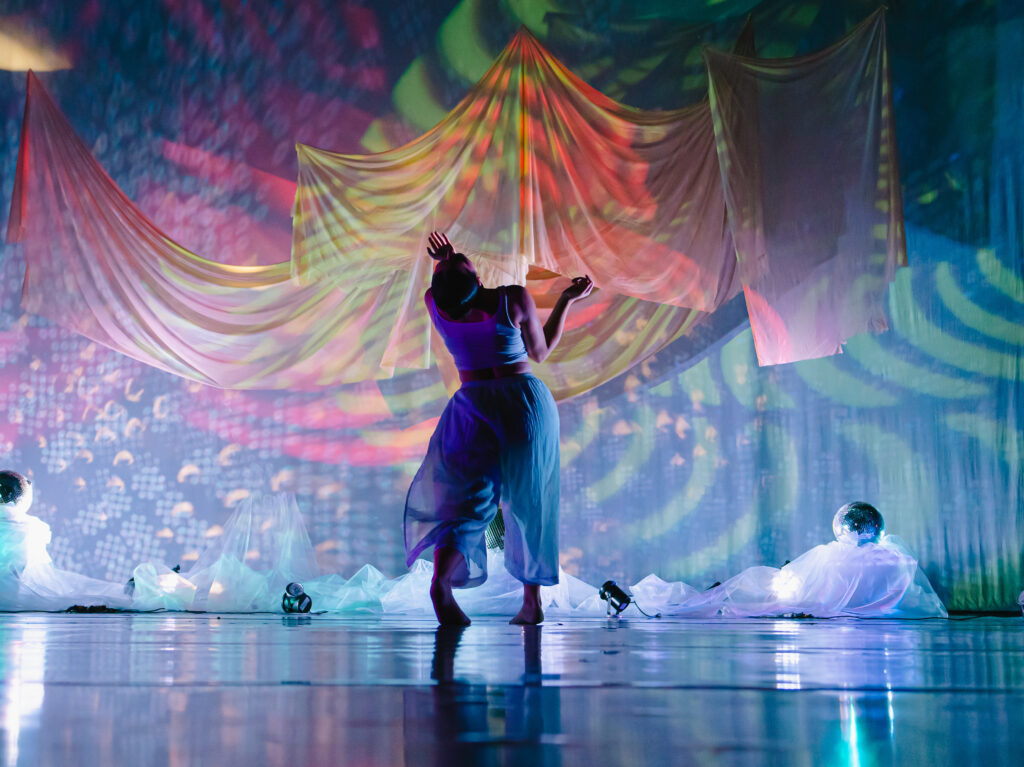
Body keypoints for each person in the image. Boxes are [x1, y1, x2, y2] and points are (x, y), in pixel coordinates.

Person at [404, 232, 593, 625]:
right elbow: (540, 352)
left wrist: (446, 263)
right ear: (475, 276)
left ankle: (442, 584)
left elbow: (449, 285)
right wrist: (566, 300)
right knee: (529, 502)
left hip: (473, 405)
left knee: (464, 501)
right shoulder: (513, 298)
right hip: (522, 404)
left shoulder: (435, 304)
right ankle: (531, 602)